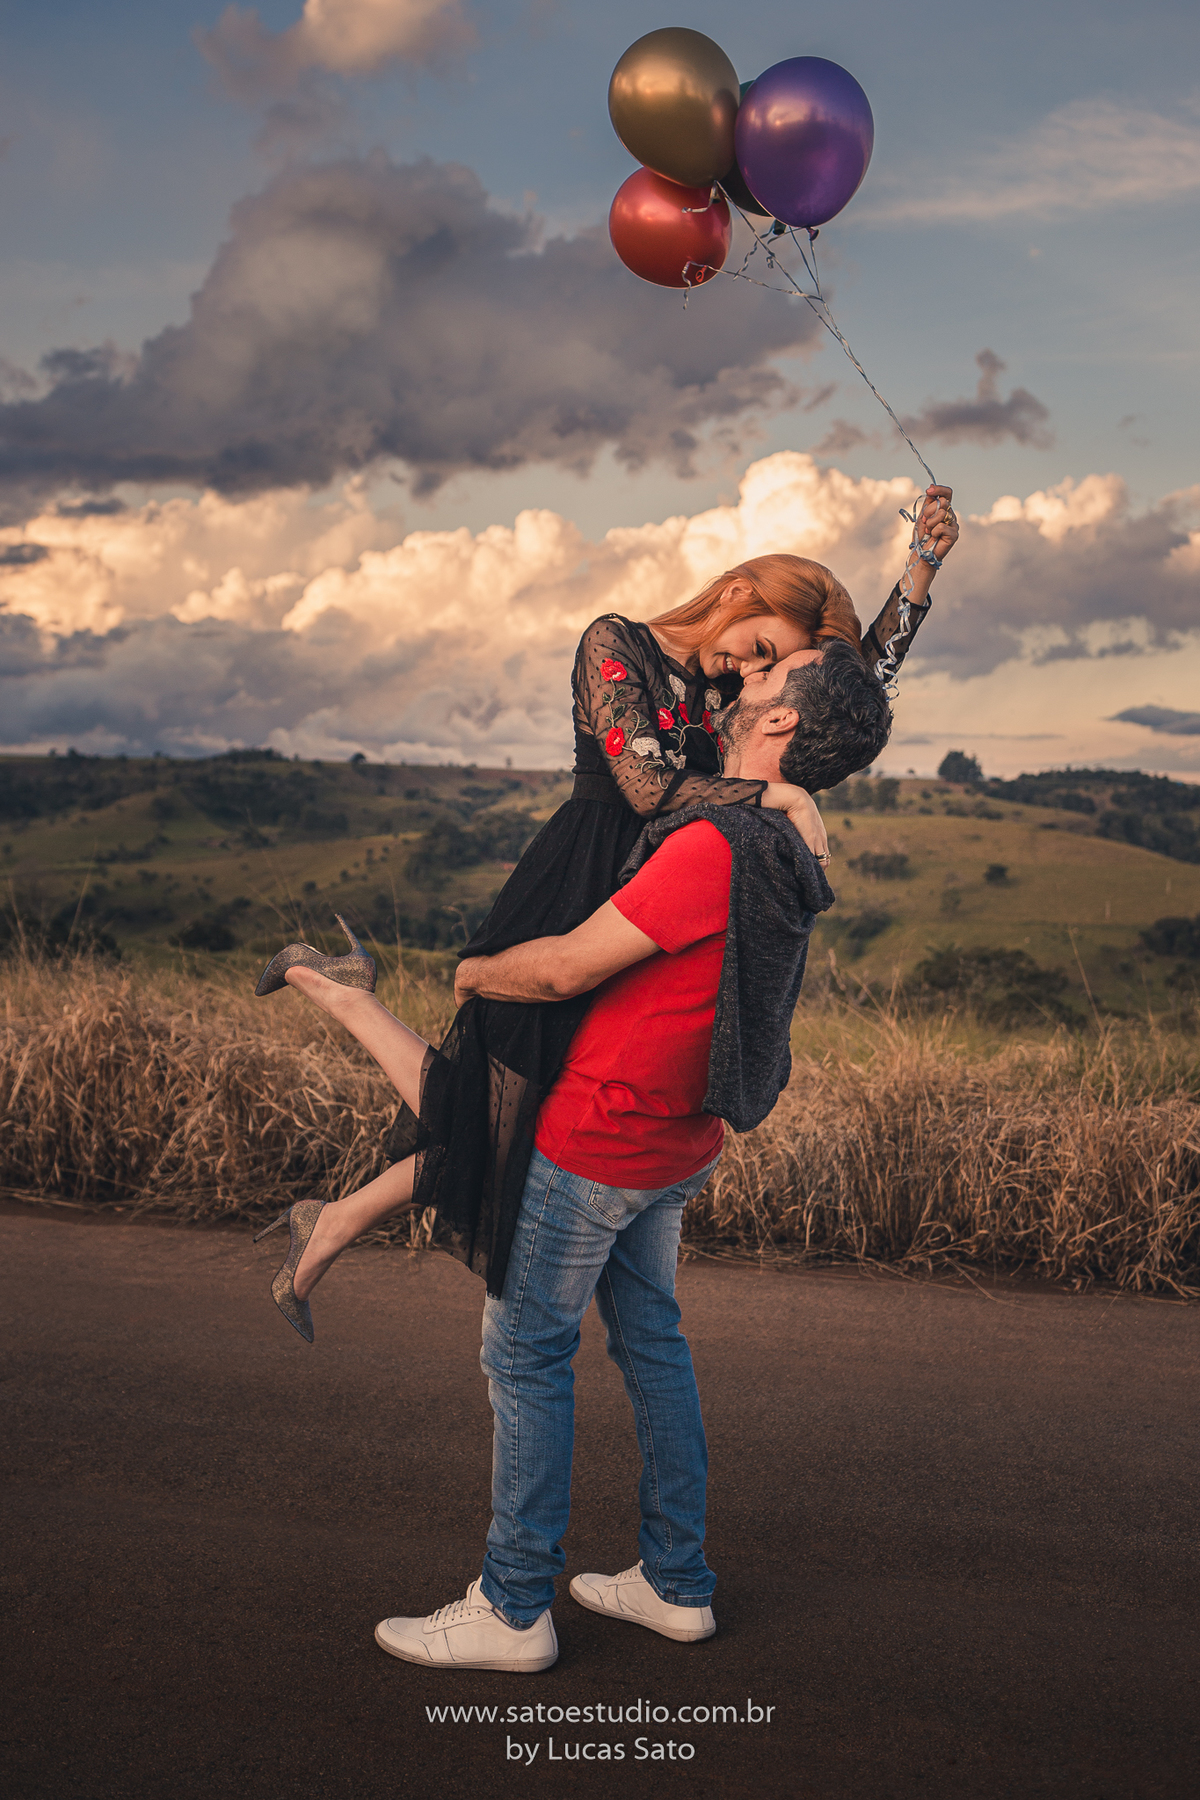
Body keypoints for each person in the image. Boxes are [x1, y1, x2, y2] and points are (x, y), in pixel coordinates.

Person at [257, 640, 891, 1667]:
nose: (750, 675)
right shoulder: (785, 842)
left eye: (774, 674)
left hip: (599, 1142)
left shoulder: (715, 846)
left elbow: (561, 972)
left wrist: (474, 973)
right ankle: (676, 1583)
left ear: (781, 722)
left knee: (524, 1356)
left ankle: (512, 1609)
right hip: (675, 1144)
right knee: (653, 1347)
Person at [255, 492, 959, 1325]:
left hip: (644, 899)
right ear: (739, 593)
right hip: (576, 886)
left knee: (512, 1113)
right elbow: (647, 786)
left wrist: (920, 570)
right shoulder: (614, 643)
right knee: (494, 1103)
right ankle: (339, 1030)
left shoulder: (737, 687)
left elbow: (835, 694)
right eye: (761, 649)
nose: (750, 670)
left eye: (767, 668)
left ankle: (332, 1170)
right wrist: (776, 796)